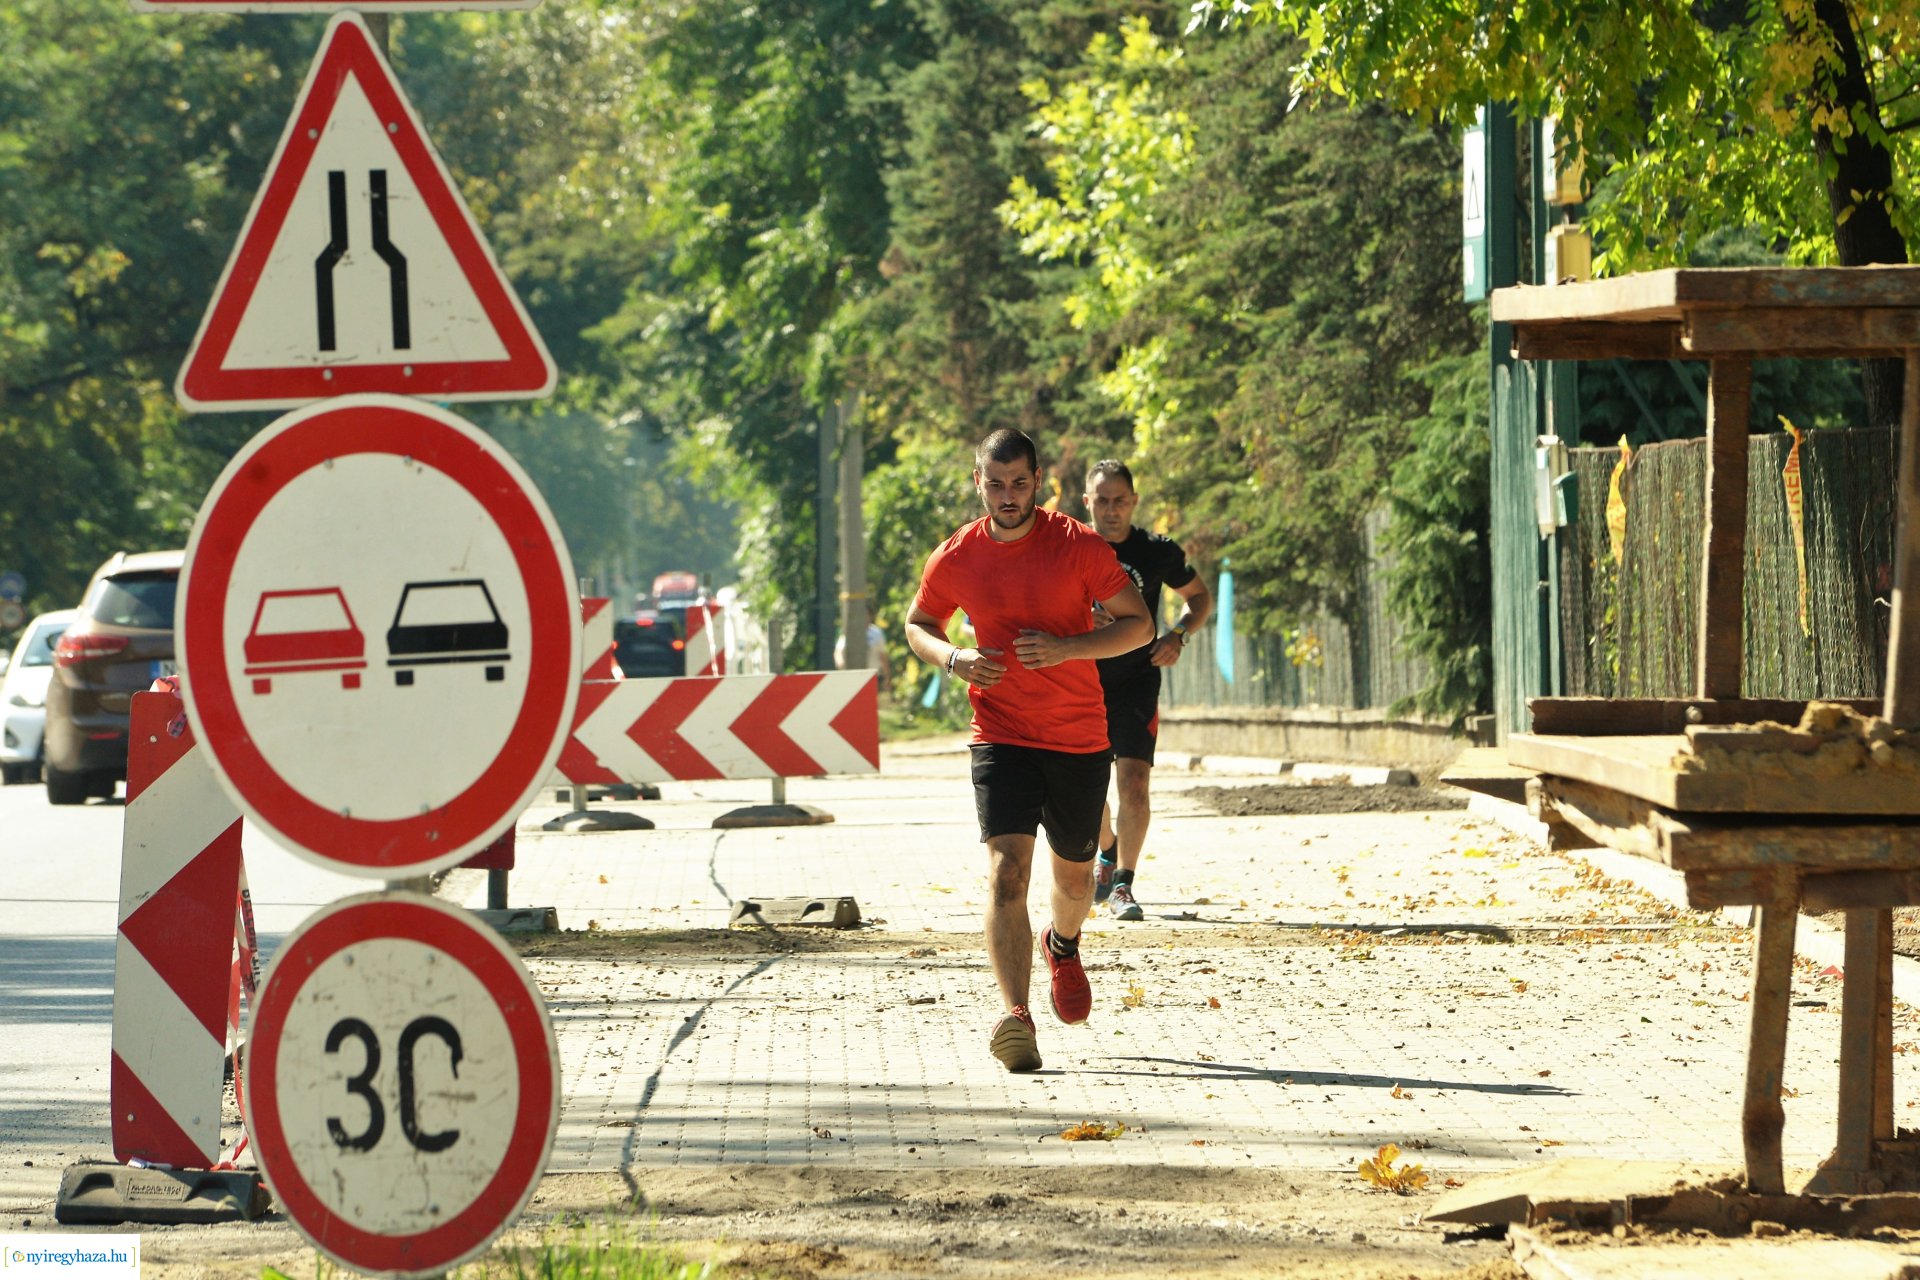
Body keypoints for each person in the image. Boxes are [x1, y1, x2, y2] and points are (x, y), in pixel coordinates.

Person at [905, 429, 1152, 1073]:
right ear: (977, 480)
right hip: (1000, 734)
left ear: (1038, 481)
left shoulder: (1077, 545)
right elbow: (919, 624)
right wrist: (955, 657)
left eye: (1019, 483)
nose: (1007, 496)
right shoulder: (957, 555)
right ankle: (1016, 1016)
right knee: (1007, 871)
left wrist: (1068, 648)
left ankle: (1063, 945)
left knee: (1073, 878)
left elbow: (1139, 623)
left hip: (1076, 737)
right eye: (995, 483)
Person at [1083, 459, 1213, 922]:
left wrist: (1177, 635)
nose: (1112, 510)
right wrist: (1080, 621)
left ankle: (1123, 883)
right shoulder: (1069, 547)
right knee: (1089, 784)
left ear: (1134, 502)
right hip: (1081, 682)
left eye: (1120, 501)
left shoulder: (1156, 550)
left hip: (1137, 681)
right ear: (1087, 503)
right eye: (1103, 501)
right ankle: (1107, 848)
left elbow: (1199, 598)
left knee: (1134, 783)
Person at [834, 602, 892, 693]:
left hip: (871, 677)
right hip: (852, 677)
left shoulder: (877, 633)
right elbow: (838, 652)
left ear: (870, 616)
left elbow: (883, 656)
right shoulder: (849, 632)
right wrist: (841, 666)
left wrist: (887, 676)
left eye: (866, 615)